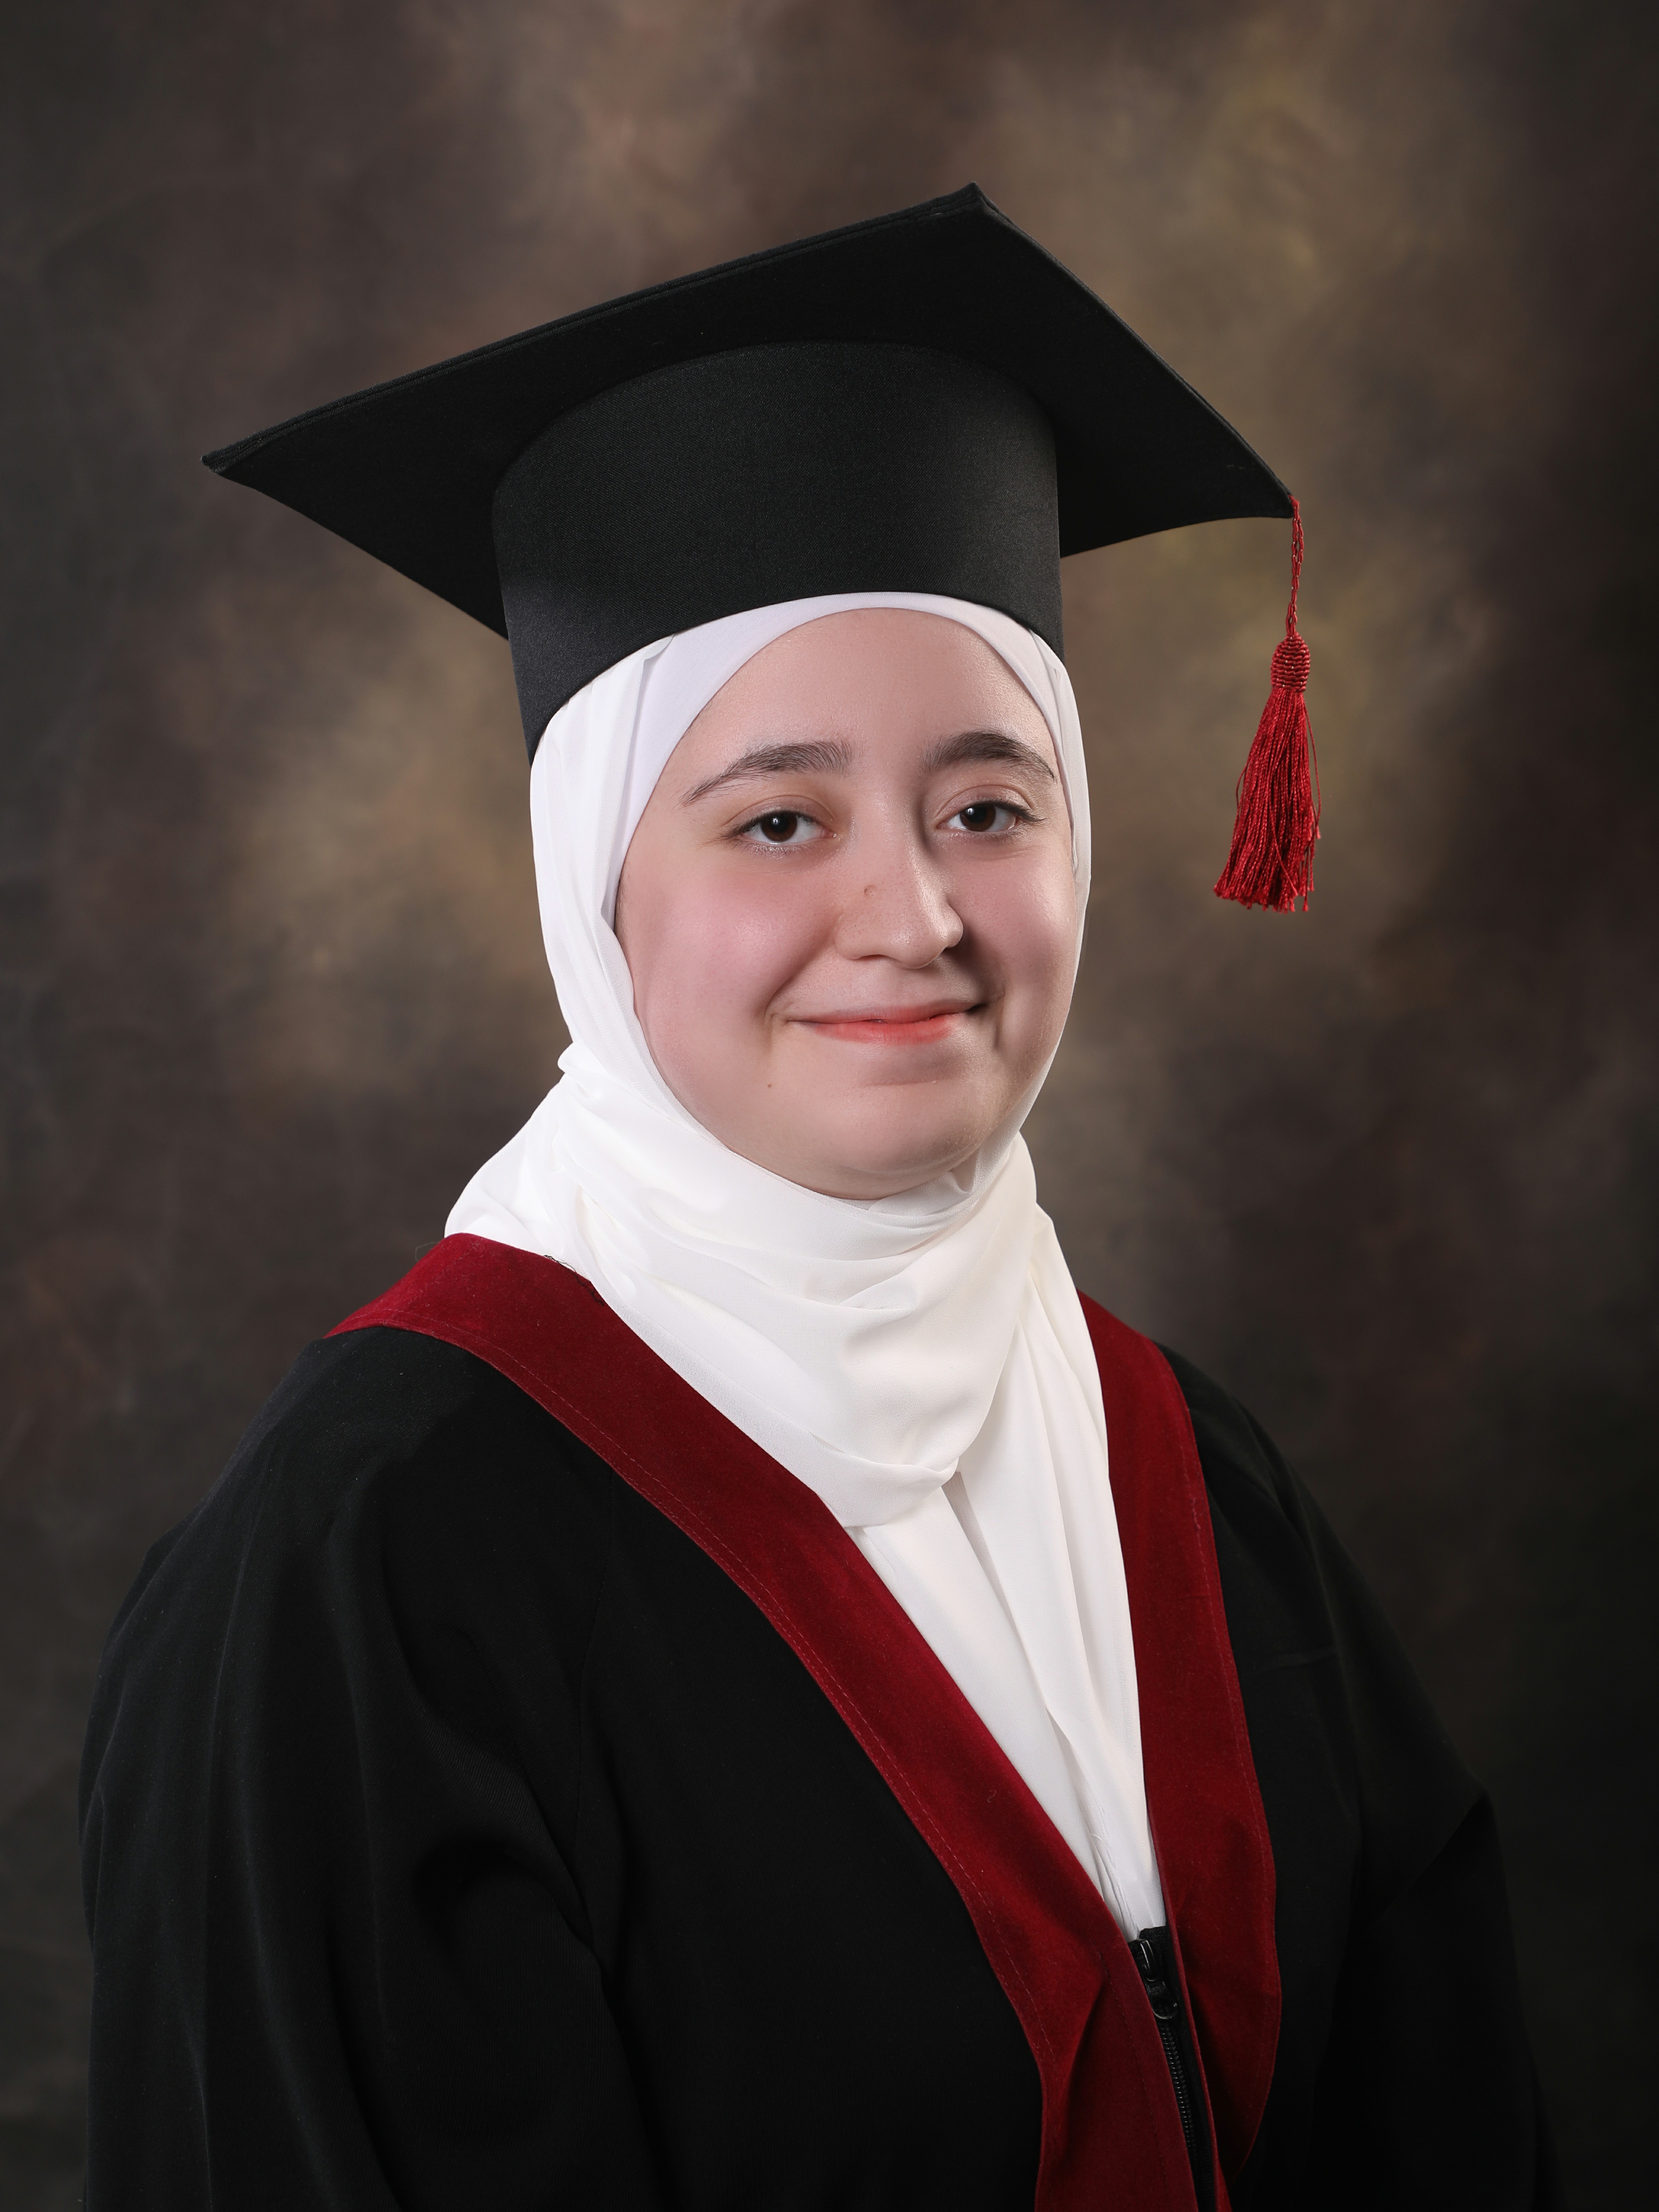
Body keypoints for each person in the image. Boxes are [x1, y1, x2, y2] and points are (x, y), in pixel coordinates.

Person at [79, 187, 1556, 2210]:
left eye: (989, 805)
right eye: (779, 818)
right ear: (597, 886)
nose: (916, 912)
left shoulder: (1185, 1469)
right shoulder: (367, 1580)